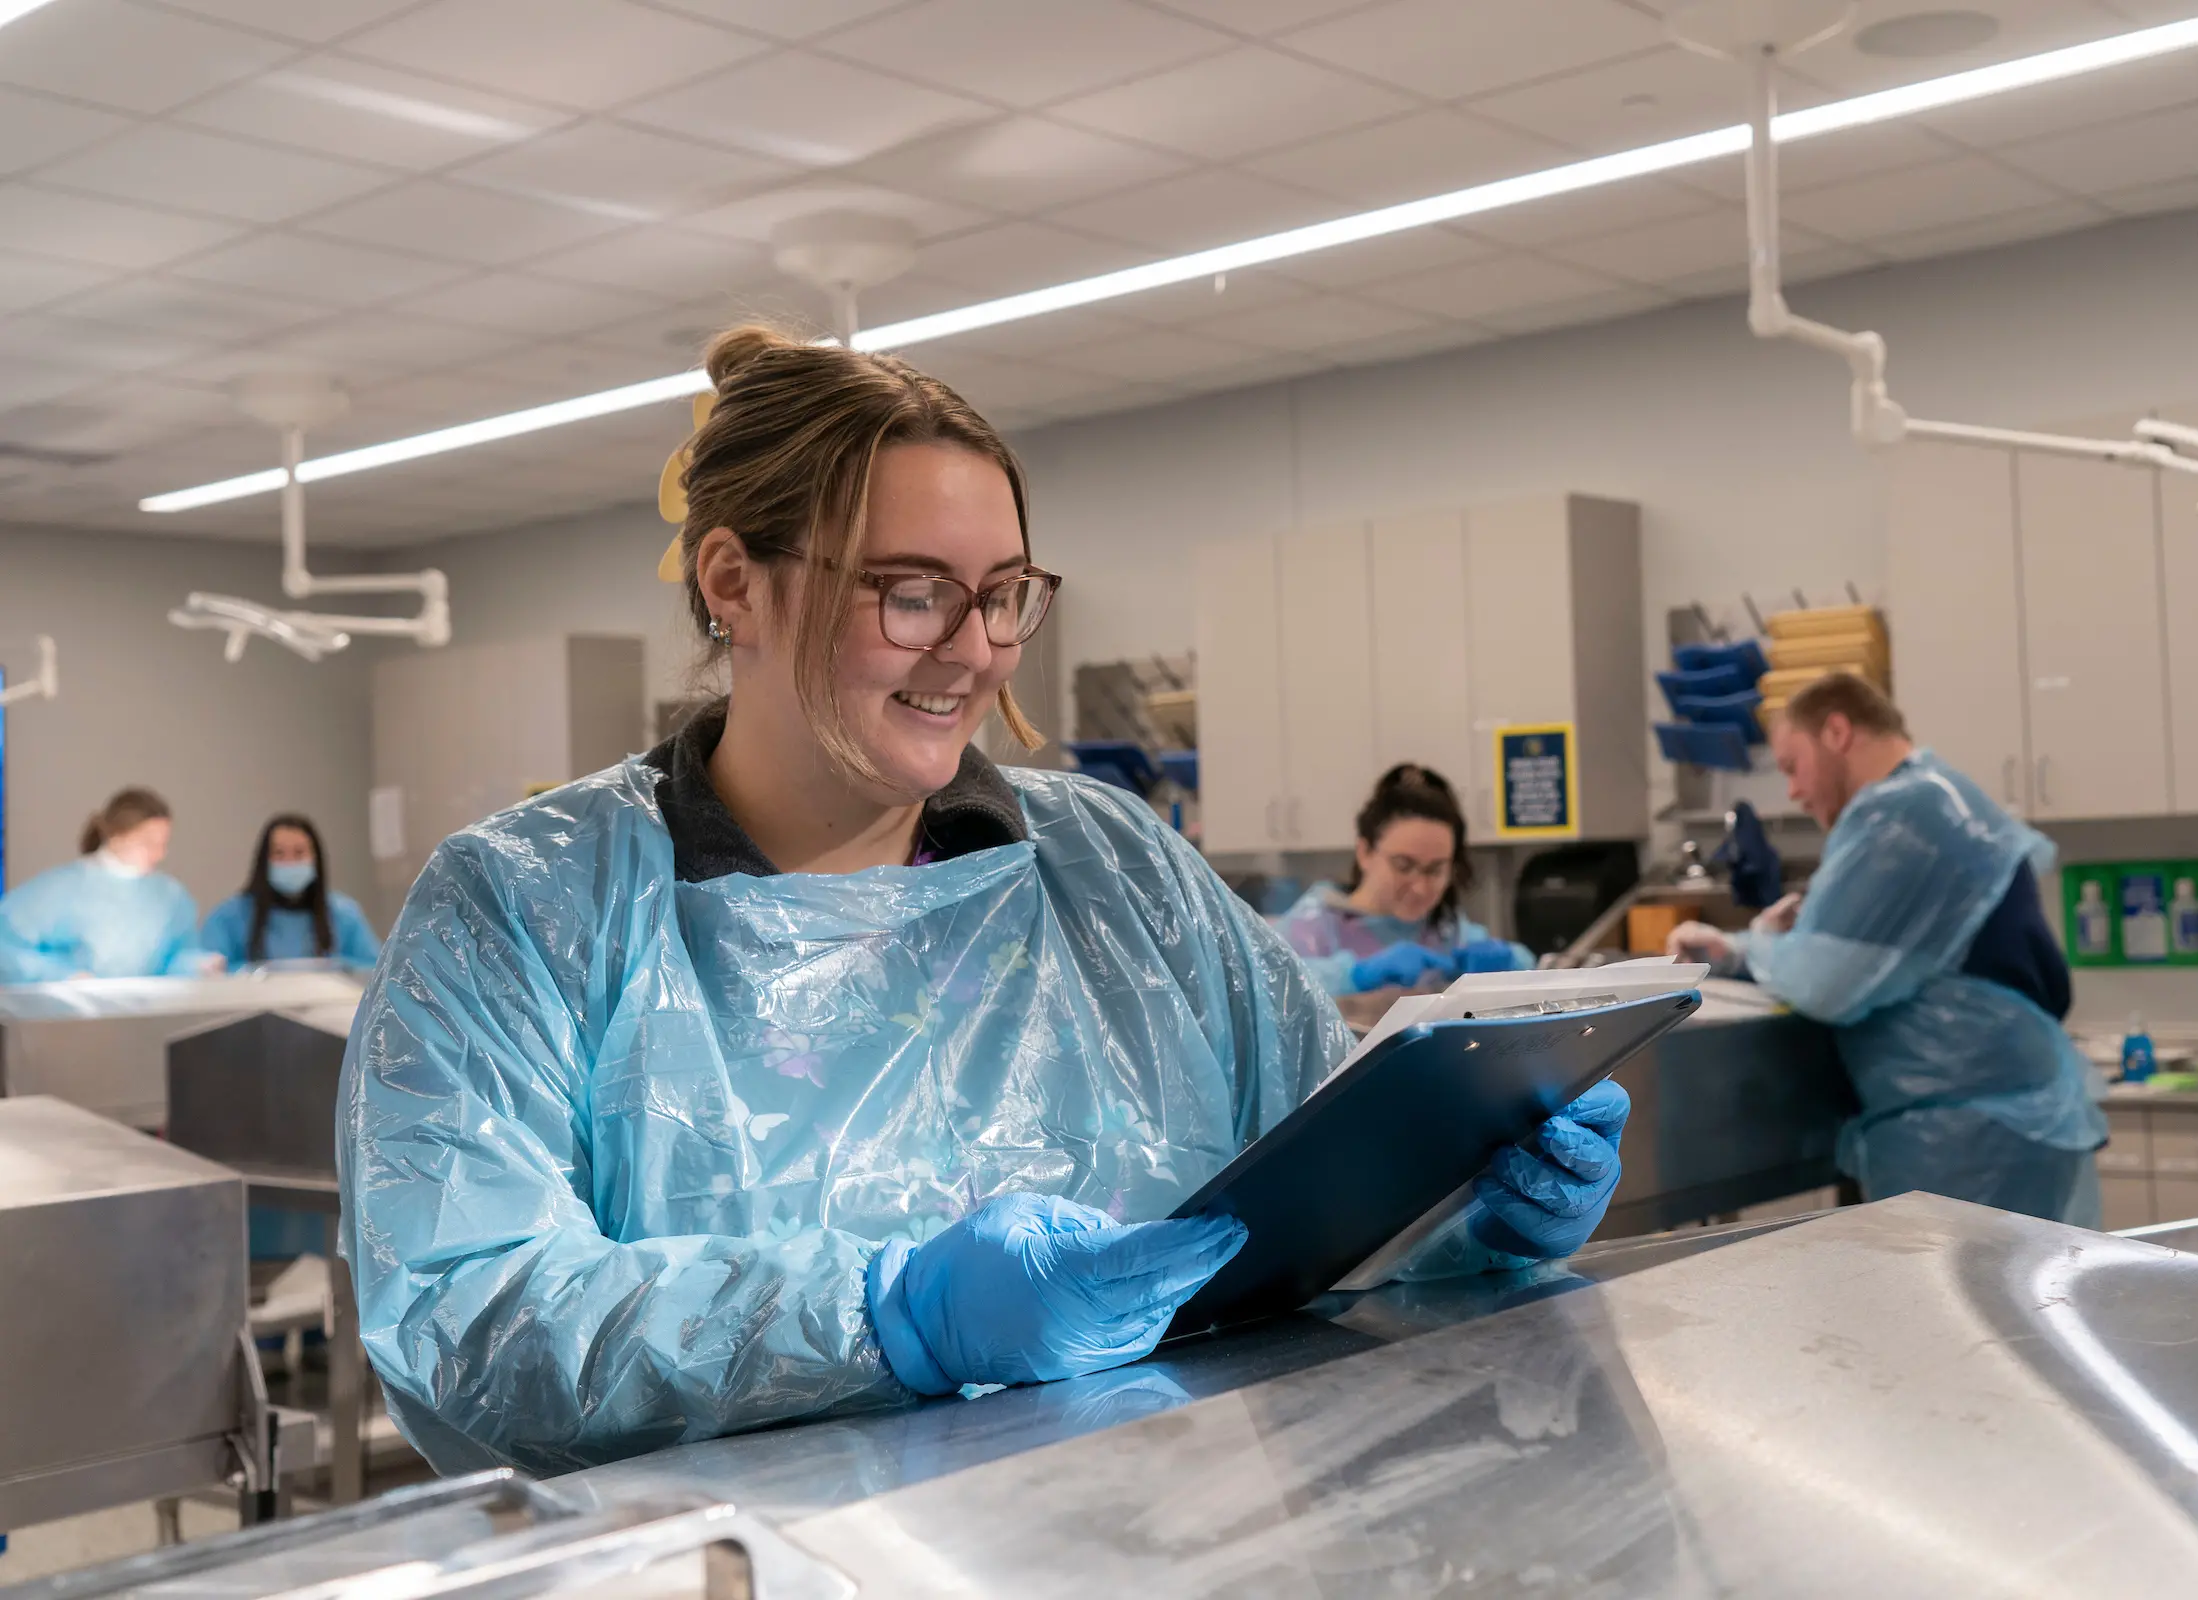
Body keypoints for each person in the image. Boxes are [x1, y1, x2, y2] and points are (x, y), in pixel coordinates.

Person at [340, 325, 1633, 1476]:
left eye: (1004, 594)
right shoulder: (525, 907)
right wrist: (888, 1314)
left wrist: (1468, 1201)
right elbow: (469, 1320)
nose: (974, 650)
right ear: (733, 582)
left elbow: (1313, 1191)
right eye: (911, 593)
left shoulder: (1115, 872)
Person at [1665, 673, 2103, 1226]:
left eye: (1792, 766)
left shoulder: (1901, 814)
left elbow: (1823, 983)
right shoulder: (1938, 797)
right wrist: (1754, 947)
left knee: (1960, 1303)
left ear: (1838, 731)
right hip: (1998, 1130)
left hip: (1968, 1142)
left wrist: (1744, 950)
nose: (1794, 791)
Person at [1275, 764, 1536, 995]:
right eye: (1403, 866)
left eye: (1435, 870)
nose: (1420, 887)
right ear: (1365, 852)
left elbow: (1531, 967)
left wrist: (1511, 960)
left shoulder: (1445, 929)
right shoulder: (1314, 924)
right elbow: (1273, 989)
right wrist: (1354, 976)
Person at [0, 788, 217, 983]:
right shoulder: (61, 890)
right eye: (148, 844)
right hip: (71, 1020)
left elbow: (176, 956)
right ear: (116, 836)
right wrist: (64, 976)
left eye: (163, 844)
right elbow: (7, 946)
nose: (159, 854)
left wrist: (197, 966)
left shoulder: (169, 895)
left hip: (147, 1019)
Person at [201, 815, 382, 972]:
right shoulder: (230, 917)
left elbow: (374, 971)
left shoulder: (343, 914)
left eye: (299, 853)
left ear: (315, 858)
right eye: (279, 853)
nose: (289, 862)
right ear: (263, 861)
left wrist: (337, 968)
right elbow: (211, 972)